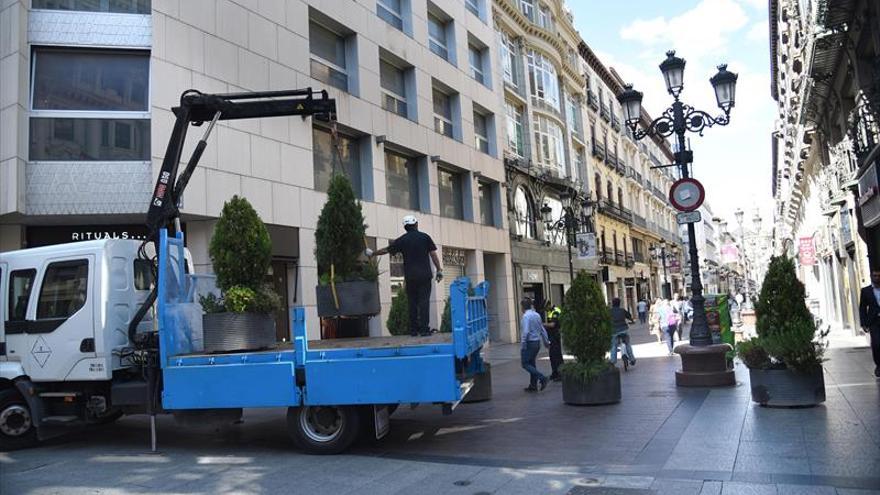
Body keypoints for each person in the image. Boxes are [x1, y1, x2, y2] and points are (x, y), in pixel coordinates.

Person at [369, 215, 443, 336]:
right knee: (424, 302)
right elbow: (433, 255)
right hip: (425, 276)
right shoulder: (425, 237)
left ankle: (413, 330)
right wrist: (439, 270)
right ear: (416, 224)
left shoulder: (402, 240)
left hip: (411, 277)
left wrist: (373, 253)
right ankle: (424, 330)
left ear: (405, 227)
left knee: (412, 303)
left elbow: (386, 250)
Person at [520, 298, 550, 392]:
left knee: (525, 364)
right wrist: (546, 341)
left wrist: (523, 344)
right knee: (532, 363)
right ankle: (533, 385)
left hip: (530, 342)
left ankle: (542, 378)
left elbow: (525, 332)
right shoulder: (537, 315)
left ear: (523, 307)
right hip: (537, 342)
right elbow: (542, 329)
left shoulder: (526, 317)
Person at [858, 270, 880, 378]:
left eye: (879, 276)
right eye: (875, 276)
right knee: (876, 344)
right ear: (871, 277)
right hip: (874, 321)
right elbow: (862, 307)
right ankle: (879, 365)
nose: (877, 278)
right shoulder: (866, 291)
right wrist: (863, 323)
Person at [609, 297, 636, 367]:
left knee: (614, 345)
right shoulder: (622, 310)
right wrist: (632, 321)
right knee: (627, 344)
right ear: (619, 304)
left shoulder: (609, 311)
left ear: (612, 304)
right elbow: (629, 316)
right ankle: (632, 359)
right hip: (624, 329)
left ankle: (613, 361)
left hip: (614, 330)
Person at [544, 304, 563, 381]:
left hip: (555, 336)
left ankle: (560, 374)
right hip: (551, 337)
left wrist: (543, 324)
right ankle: (554, 373)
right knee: (552, 356)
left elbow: (553, 324)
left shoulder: (556, 311)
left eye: (546, 308)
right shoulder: (550, 311)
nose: (546, 310)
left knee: (557, 356)